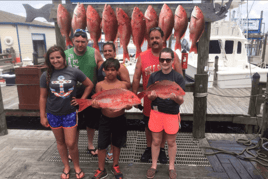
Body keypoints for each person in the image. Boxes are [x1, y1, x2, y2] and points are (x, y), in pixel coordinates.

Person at [40, 45, 94, 179]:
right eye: (52, 58)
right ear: (48, 60)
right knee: (60, 142)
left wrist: (82, 100)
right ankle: (66, 166)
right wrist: (42, 115)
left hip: (70, 113)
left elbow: (90, 84)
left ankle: (77, 166)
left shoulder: (74, 72)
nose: (55, 60)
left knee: (71, 143)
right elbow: (42, 97)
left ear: (64, 58)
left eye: (58, 57)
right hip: (52, 113)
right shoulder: (45, 75)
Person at [132, 27, 183, 164]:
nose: (154, 40)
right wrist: (135, 97)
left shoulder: (172, 55)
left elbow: (180, 76)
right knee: (149, 125)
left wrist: (177, 96)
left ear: (163, 39)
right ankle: (149, 147)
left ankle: (161, 149)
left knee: (165, 125)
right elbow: (136, 78)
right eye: (152, 38)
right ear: (148, 40)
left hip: (168, 98)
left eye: (157, 38)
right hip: (151, 97)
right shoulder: (142, 56)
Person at [146, 48, 185, 179]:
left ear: (172, 61)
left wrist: (175, 97)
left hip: (172, 114)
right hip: (156, 113)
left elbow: (181, 100)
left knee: (171, 142)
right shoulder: (154, 76)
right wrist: (151, 96)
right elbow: (149, 97)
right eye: (162, 59)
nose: (165, 62)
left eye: (168, 59)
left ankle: (171, 167)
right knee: (156, 141)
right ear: (159, 60)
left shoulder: (178, 77)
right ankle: (153, 166)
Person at [65, 29, 103, 156]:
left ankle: (90, 144)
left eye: (83, 41)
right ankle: (73, 147)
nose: (80, 44)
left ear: (87, 41)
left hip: (90, 92)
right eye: (77, 41)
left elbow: (104, 69)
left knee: (91, 120)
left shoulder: (95, 53)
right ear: (73, 41)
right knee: (74, 121)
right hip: (72, 93)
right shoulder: (66, 54)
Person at [91, 58, 131, 179]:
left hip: (119, 119)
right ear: (103, 70)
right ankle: (101, 169)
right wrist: (95, 105)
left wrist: (127, 105)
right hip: (105, 119)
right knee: (102, 144)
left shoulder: (123, 85)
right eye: (107, 70)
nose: (110, 72)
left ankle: (115, 165)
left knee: (117, 144)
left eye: (113, 70)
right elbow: (97, 103)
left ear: (118, 70)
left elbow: (128, 105)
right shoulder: (100, 85)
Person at [98, 42, 131, 161]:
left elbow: (127, 84)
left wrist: (114, 91)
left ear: (114, 52)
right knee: (104, 132)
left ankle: (113, 150)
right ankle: (105, 150)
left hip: (116, 103)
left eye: (109, 51)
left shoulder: (121, 67)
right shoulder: (101, 65)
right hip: (105, 103)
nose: (107, 53)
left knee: (116, 134)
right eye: (105, 51)